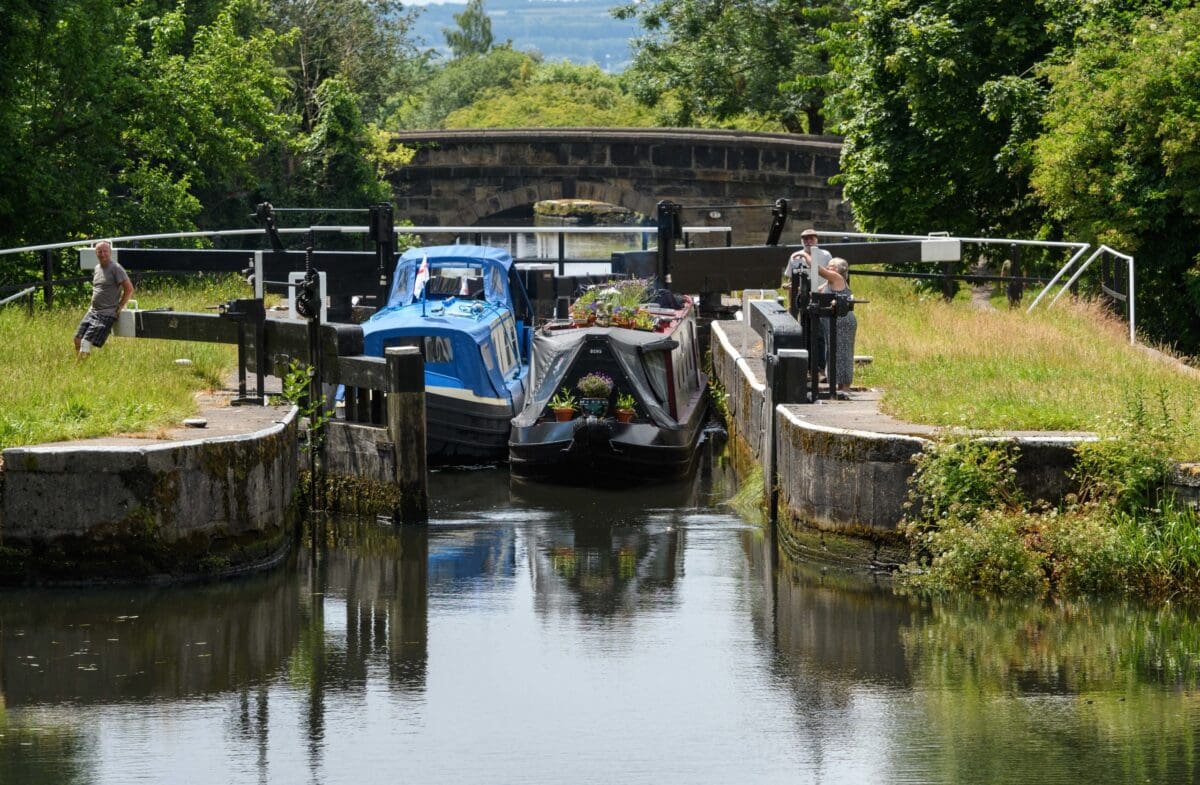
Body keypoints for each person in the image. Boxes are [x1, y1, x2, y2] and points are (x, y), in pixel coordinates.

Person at [74, 240, 134, 358]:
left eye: (105, 251)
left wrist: (120, 306)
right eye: (99, 251)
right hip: (92, 311)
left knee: (86, 343)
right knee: (77, 339)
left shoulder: (116, 268)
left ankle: (78, 367)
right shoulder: (97, 268)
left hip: (106, 312)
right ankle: (82, 365)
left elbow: (129, 289)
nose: (102, 254)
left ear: (110, 252)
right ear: (96, 253)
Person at [817, 257, 857, 392]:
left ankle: (844, 386)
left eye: (832, 266)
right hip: (831, 322)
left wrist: (806, 256)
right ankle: (835, 384)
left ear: (840, 269)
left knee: (843, 352)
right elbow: (816, 292)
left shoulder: (837, 278)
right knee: (832, 352)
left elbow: (819, 270)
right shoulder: (828, 283)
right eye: (828, 265)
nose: (829, 268)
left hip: (842, 320)